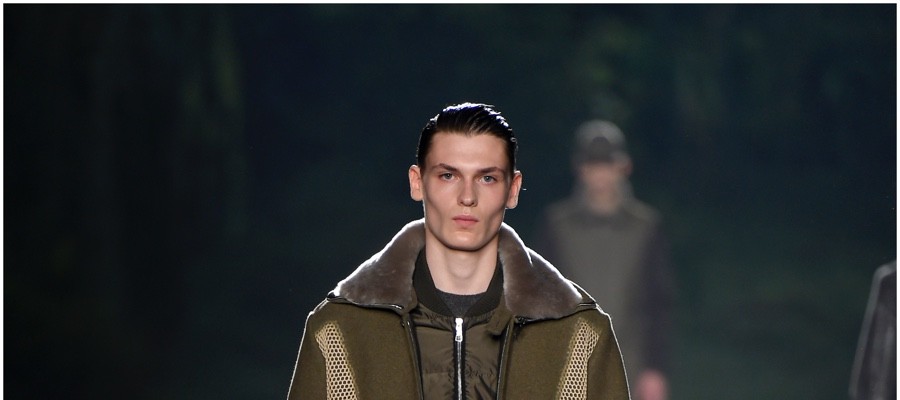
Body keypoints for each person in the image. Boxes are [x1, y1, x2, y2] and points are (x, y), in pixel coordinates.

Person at [287, 103, 630, 399]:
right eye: (448, 176)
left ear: (513, 189)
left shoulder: (580, 337)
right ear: (417, 182)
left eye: (487, 178)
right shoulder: (340, 332)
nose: (467, 197)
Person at [532, 120, 675, 400]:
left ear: (624, 166)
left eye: (607, 164)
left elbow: (659, 302)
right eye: (593, 165)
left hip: (629, 364)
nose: (600, 174)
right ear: (580, 168)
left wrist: (655, 369)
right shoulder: (556, 225)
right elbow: (539, 299)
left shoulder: (645, 226)